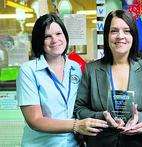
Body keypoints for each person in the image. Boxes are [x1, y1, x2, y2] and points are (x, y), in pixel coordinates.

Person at [16, 13, 108, 147]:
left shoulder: (76, 68)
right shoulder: (28, 70)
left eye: (58, 34)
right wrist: (76, 125)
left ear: (65, 35)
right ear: (39, 41)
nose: (55, 40)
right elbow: (34, 120)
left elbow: (81, 104)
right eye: (47, 36)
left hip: (73, 144)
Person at [74, 9, 142, 147]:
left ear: (133, 36)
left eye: (126, 31)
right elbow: (78, 108)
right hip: (100, 142)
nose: (120, 36)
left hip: (137, 142)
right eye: (114, 31)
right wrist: (102, 116)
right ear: (107, 36)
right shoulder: (91, 69)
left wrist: (138, 118)